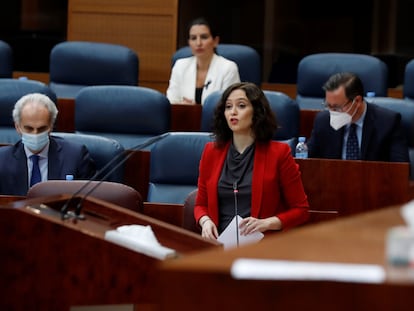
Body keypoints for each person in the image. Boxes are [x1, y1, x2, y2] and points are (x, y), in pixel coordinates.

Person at [194, 82, 309, 241]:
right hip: (219, 246)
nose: (232, 112)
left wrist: (267, 223)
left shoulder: (279, 154)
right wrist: (205, 221)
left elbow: (300, 210)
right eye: (228, 107)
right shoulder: (211, 152)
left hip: (261, 247)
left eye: (241, 106)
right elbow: (200, 205)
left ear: (257, 112)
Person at [0, 93, 96, 196]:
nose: (35, 134)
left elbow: (91, 201)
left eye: (42, 129)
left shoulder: (76, 156)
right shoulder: (2, 160)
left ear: (51, 126)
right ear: (17, 127)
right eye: (29, 128)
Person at [308, 72, 409, 162]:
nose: (332, 112)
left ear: (357, 101)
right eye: (328, 105)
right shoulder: (323, 121)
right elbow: (308, 161)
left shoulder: (388, 122)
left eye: (337, 107)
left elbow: (400, 170)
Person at [166, 17, 241, 105]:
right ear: (189, 42)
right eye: (193, 38)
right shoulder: (180, 66)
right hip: (185, 117)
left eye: (204, 37)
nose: (198, 43)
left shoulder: (228, 68)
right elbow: (171, 102)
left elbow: (230, 105)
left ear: (215, 41)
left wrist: (195, 110)